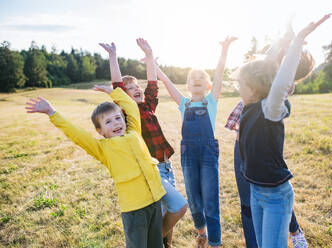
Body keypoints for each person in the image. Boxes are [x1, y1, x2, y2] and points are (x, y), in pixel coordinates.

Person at [26, 85, 165, 248]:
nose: (115, 123)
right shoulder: (103, 149)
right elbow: (77, 135)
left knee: (156, 244)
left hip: (155, 200)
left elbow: (131, 106)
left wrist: (111, 92)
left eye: (118, 118)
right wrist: (52, 113)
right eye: (108, 121)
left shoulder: (134, 132)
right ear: (100, 131)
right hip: (134, 208)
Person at [235, 14, 331, 248]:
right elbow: (265, 67)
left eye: (241, 84)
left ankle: (295, 231)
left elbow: (280, 81)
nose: (238, 89)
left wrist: (297, 40)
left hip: (276, 196)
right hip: (257, 192)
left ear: (255, 87)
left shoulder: (270, 109)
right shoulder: (249, 106)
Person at [99, 39, 187, 248]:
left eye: (137, 86)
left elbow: (153, 84)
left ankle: (165, 244)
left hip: (167, 166)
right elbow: (117, 86)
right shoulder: (130, 116)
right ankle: (153, 242)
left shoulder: (148, 106)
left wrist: (149, 56)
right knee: (175, 208)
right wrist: (113, 57)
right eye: (131, 89)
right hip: (153, 169)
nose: (136, 89)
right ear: (124, 97)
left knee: (169, 215)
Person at [154, 36, 237, 247]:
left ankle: (215, 242)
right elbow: (167, 83)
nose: (197, 78)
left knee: (210, 199)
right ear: (188, 85)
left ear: (208, 85)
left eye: (201, 76)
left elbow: (219, 76)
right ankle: (201, 231)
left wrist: (224, 51)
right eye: (192, 77)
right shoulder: (184, 103)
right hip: (189, 154)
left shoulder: (211, 101)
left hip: (208, 153)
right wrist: (154, 66)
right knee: (193, 198)